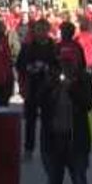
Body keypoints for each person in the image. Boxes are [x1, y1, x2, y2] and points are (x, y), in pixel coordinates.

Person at [34, 45, 92, 184]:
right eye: (64, 62)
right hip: (53, 139)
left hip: (76, 140)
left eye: (70, 62)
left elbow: (88, 103)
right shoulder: (51, 79)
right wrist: (49, 85)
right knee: (53, 181)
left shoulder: (85, 80)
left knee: (79, 180)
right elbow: (38, 101)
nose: (67, 67)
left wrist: (72, 89)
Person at [16, 20, 59, 162]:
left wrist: (49, 69)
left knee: (48, 120)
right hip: (32, 86)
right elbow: (19, 65)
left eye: (43, 29)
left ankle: (47, 148)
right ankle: (29, 148)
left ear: (48, 30)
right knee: (30, 120)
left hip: (48, 88)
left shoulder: (53, 47)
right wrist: (29, 68)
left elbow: (58, 65)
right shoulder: (28, 46)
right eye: (38, 29)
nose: (40, 32)